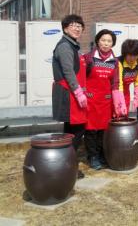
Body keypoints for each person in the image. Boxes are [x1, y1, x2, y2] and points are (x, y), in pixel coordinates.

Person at [84, 29, 127, 170]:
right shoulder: (88, 58)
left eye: (109, 41)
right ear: (97, 41)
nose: (106, 44)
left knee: (104, 130)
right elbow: (81, 79)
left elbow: (115, 84)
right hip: (90, 101)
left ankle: (102, 154)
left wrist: (117, 105)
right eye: (103, 40)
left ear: (112, 44)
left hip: (106, 102)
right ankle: (92, 156)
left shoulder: (114, 62)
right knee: (91, 130)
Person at [52, 14, 87, 179]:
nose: (77, 28)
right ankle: (69, 167)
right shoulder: (65, 46)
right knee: (76, 132)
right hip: (69, 95)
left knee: (70, 132)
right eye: (73, 25)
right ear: (65, 28)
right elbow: (68, 71)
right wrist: (78, 91)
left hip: (73, 93)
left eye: (80, 25)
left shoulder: (74, 46)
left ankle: (65, 166)